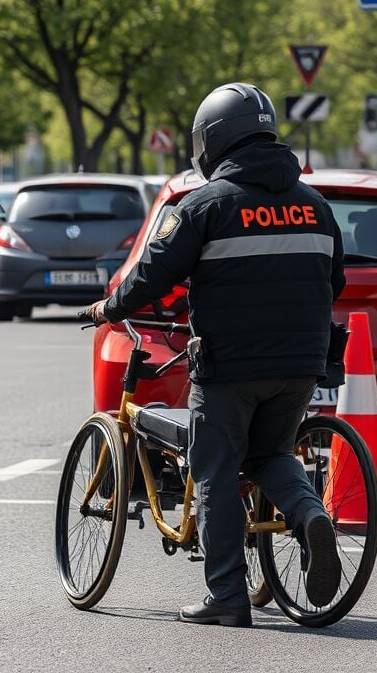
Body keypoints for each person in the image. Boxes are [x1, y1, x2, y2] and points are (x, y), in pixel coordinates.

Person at [86, 83, 345, 627]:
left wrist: (110, 308)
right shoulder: (315, 206)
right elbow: (335, 280)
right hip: (302, 363)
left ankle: (226, 596)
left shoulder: (205, 205)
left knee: (216, 471)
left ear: (212, 140)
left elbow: (152, 275)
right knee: (271, 454)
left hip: (229, 365)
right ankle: (309, 513)